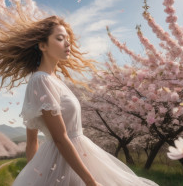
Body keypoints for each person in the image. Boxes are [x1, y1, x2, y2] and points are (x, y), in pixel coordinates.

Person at [9, 16, 159, 186]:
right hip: (62, 161)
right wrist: (90, 181)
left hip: (78, 157)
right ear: (42, 45)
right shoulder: (41, 80)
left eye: (68, 39)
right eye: (60, 39)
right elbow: (53, 139)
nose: (67, 44)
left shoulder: (55, 81)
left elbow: (34, 142)